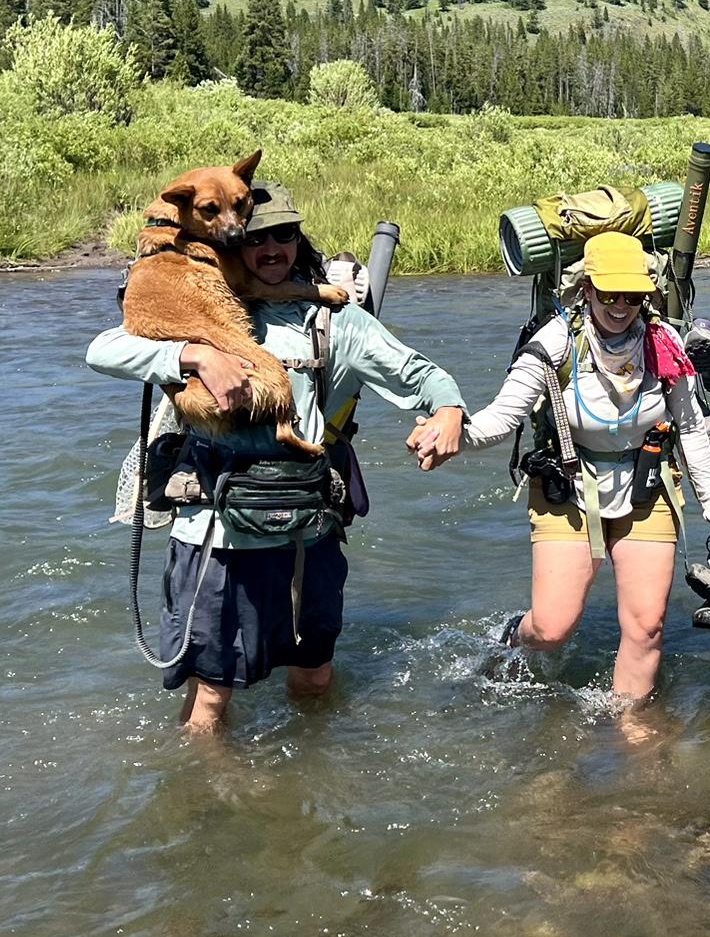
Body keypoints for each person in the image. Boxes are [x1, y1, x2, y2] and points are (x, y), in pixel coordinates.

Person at [88, 181, 465, 733]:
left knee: (314, 678)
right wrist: (192, 355)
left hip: (306, 534)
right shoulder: (200, 305)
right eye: (255, 238)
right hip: (214, 534)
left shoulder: (340, 323)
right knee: (211, 698)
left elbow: (419, 374)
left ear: (298, 241)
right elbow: (104, 349)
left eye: (284, 236)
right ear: (229, 244)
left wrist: (448, 410)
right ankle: (211, 798)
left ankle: (303, 786)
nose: (270, 249)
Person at [411, 232, 710, 702]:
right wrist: (452, 437)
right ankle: (512, 640)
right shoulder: (556, 341)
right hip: (567, 486)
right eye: (609, 294)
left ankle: (632, 733)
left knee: (647, 627)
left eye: (632, 295)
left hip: (648, 489)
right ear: (586, 289)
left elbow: (690, 428)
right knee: (551, 629)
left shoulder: (664, 343)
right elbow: (504, 418)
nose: (621, 305)